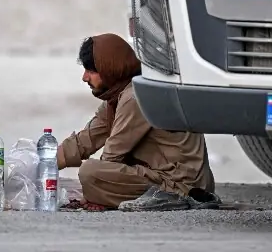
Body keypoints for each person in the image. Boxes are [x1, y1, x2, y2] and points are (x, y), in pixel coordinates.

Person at [57, 33, 219, 211]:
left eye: (91, 71)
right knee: (91, 175)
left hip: (181, 184)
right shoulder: (120, 96)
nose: (85, 77)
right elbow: (85, 140)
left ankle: (174, 199)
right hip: (163, 177)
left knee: (90, 173)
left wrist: (97, 189)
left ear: (111, 68)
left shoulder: (135, 97)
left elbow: (112, 157)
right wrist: (40, 162)